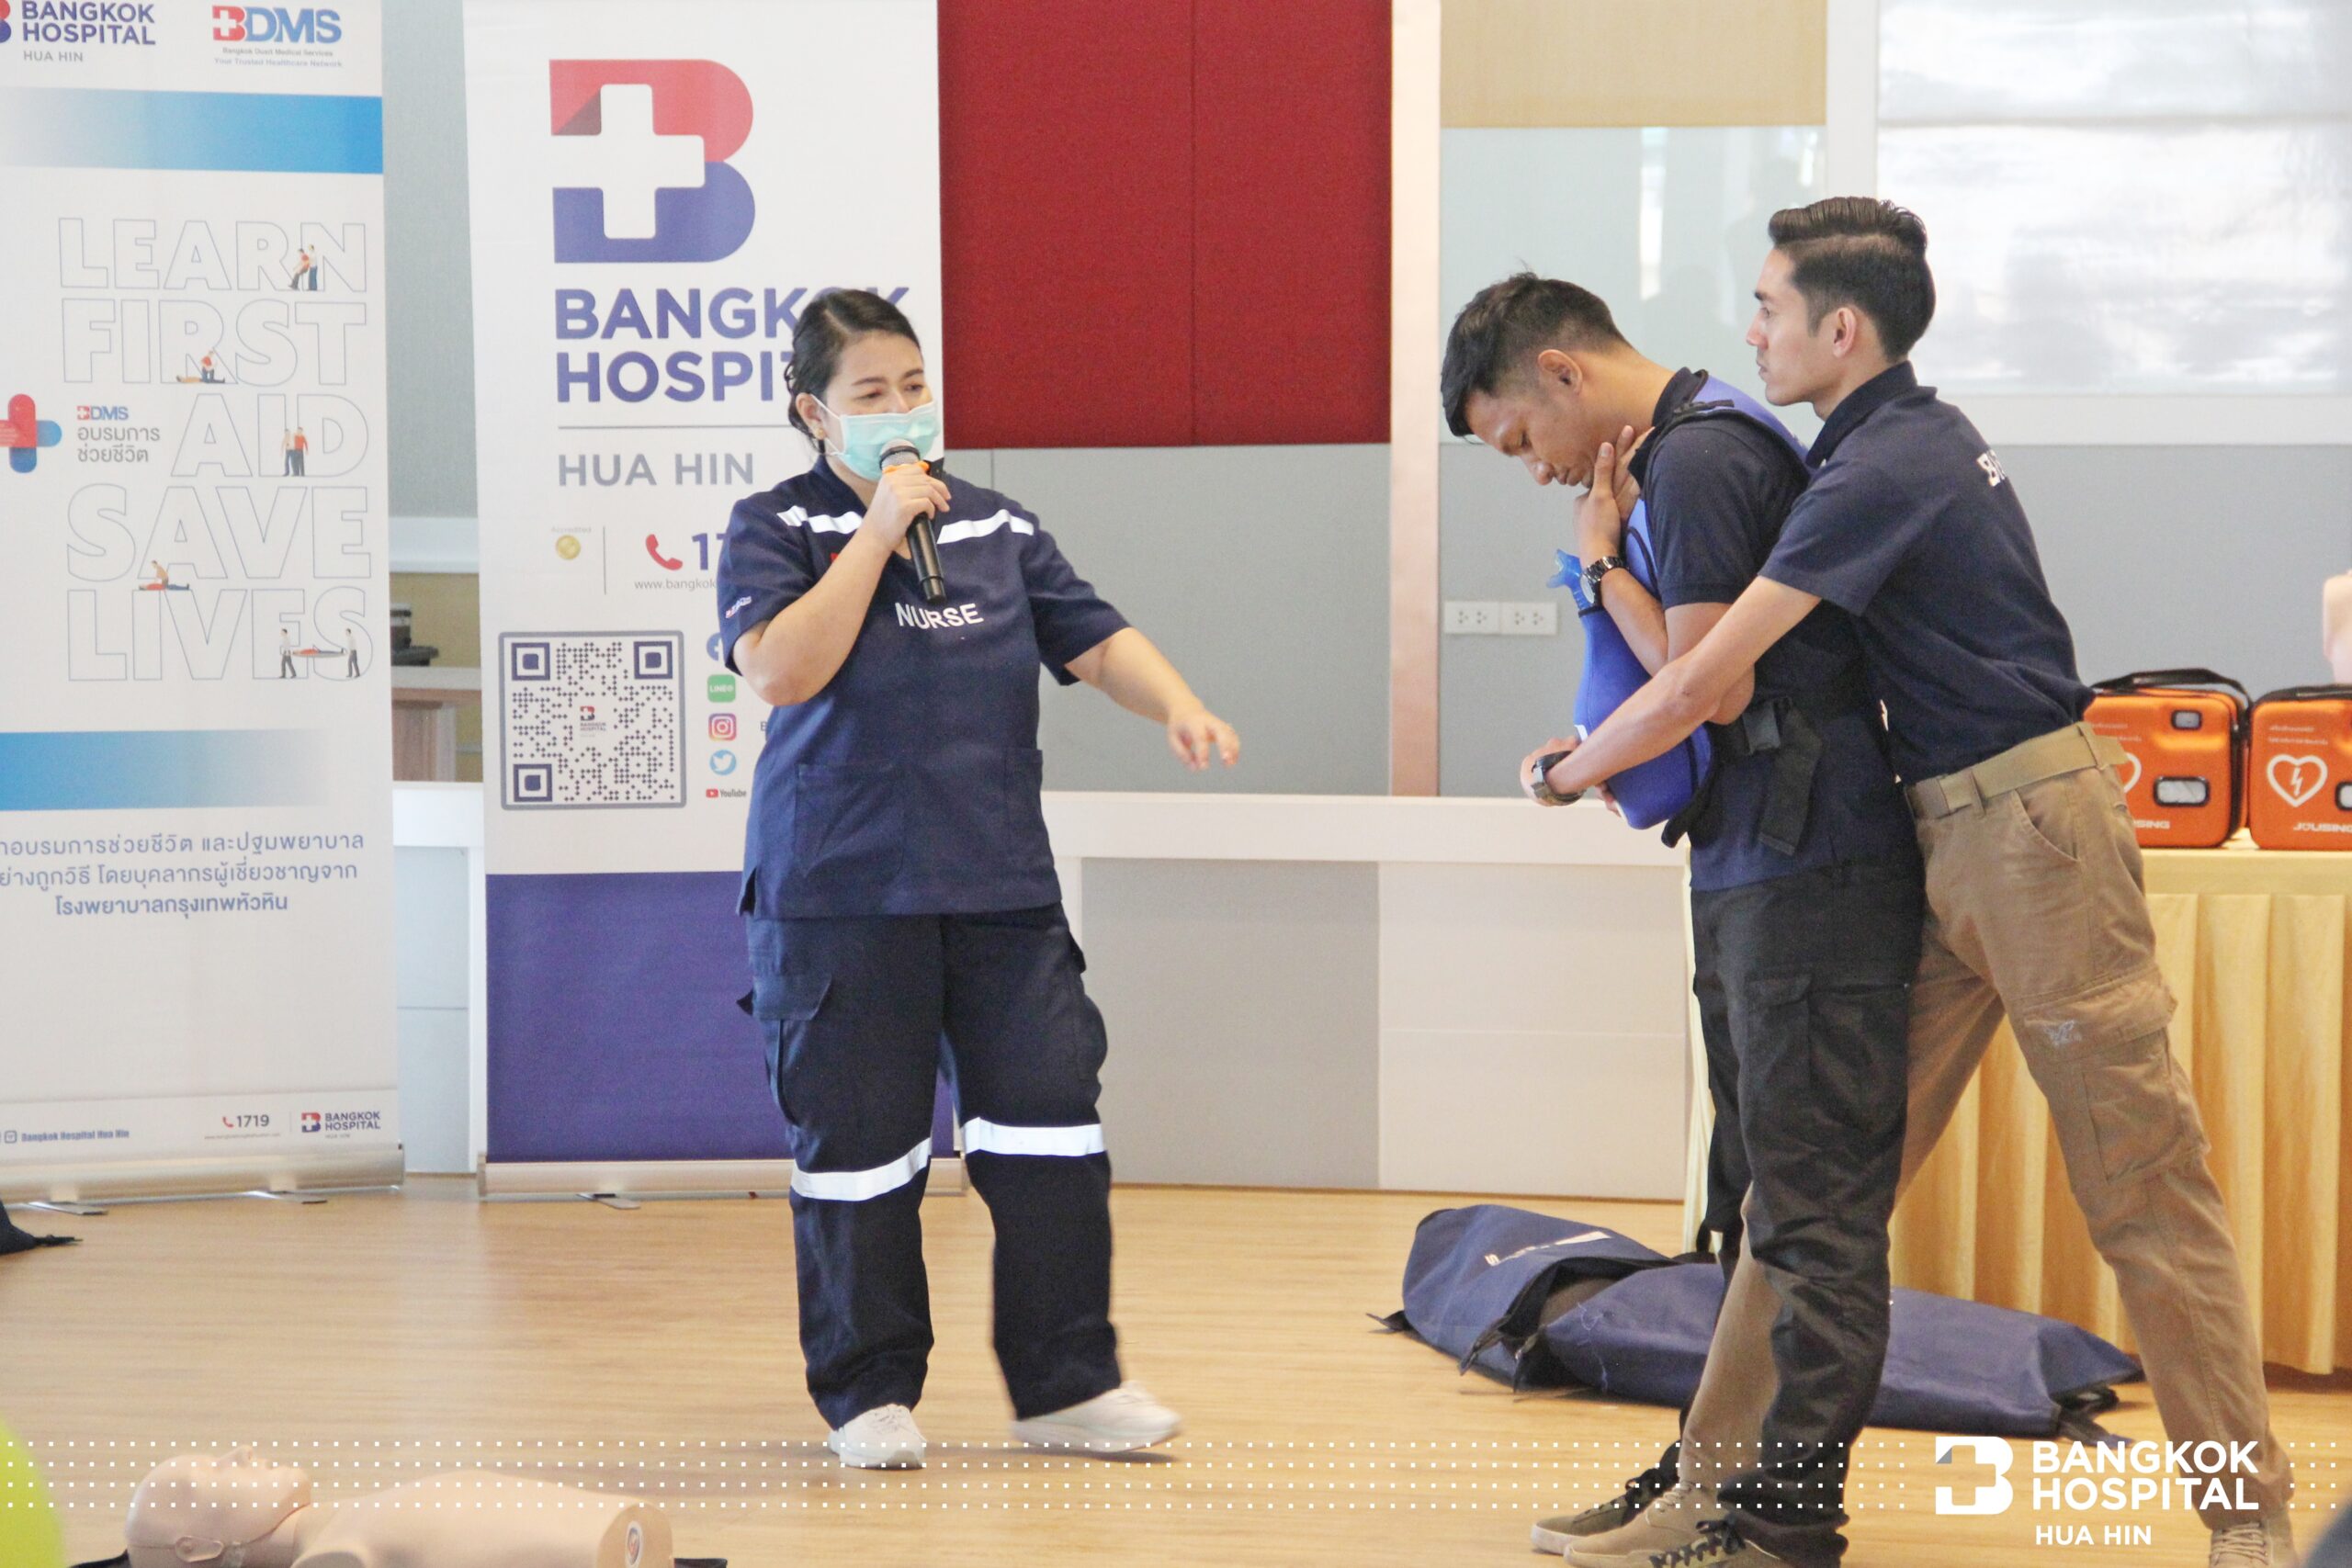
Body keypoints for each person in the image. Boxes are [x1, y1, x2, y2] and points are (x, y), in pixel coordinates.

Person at [1535, 198, 2294, 1568]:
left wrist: (1567, 771)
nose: (1751, 332)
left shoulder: (1891, 460)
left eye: (1769, 307)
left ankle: (2249, 1523)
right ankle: (1710, 1487)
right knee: (1815, 1191)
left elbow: (1709, 683)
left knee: (2143, 1192)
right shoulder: (1860, 448)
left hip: (2035, 839)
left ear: (1842, 328)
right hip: (1937, 836)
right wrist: (1609, 565)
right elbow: (1710, 669)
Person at [715, 288, 1238, 1472]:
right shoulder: (773, 525)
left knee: (1051, 1131)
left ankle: (1068, 1387)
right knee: (861, 1156)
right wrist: (873, 533)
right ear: (814, 413)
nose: (903, 411)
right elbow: (781, 672)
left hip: (999, 887)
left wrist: (1179, 703)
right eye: (870, 394)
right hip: (840, 893)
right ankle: (868, 1394)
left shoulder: (998, 524)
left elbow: (1093, 637)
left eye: (914, 386)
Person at [1442, 276, 1920, 1568]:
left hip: (1808, 864)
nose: (1536, 468)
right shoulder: (1686, 447)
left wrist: (1599, 584)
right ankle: (1719, 1484)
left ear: (1561, 372)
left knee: (1811, 1221)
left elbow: (1709, 684)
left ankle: (1787, 1522)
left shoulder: (1703, 460)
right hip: (1762, 854)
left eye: (1520, 438)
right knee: (1762, 1205)